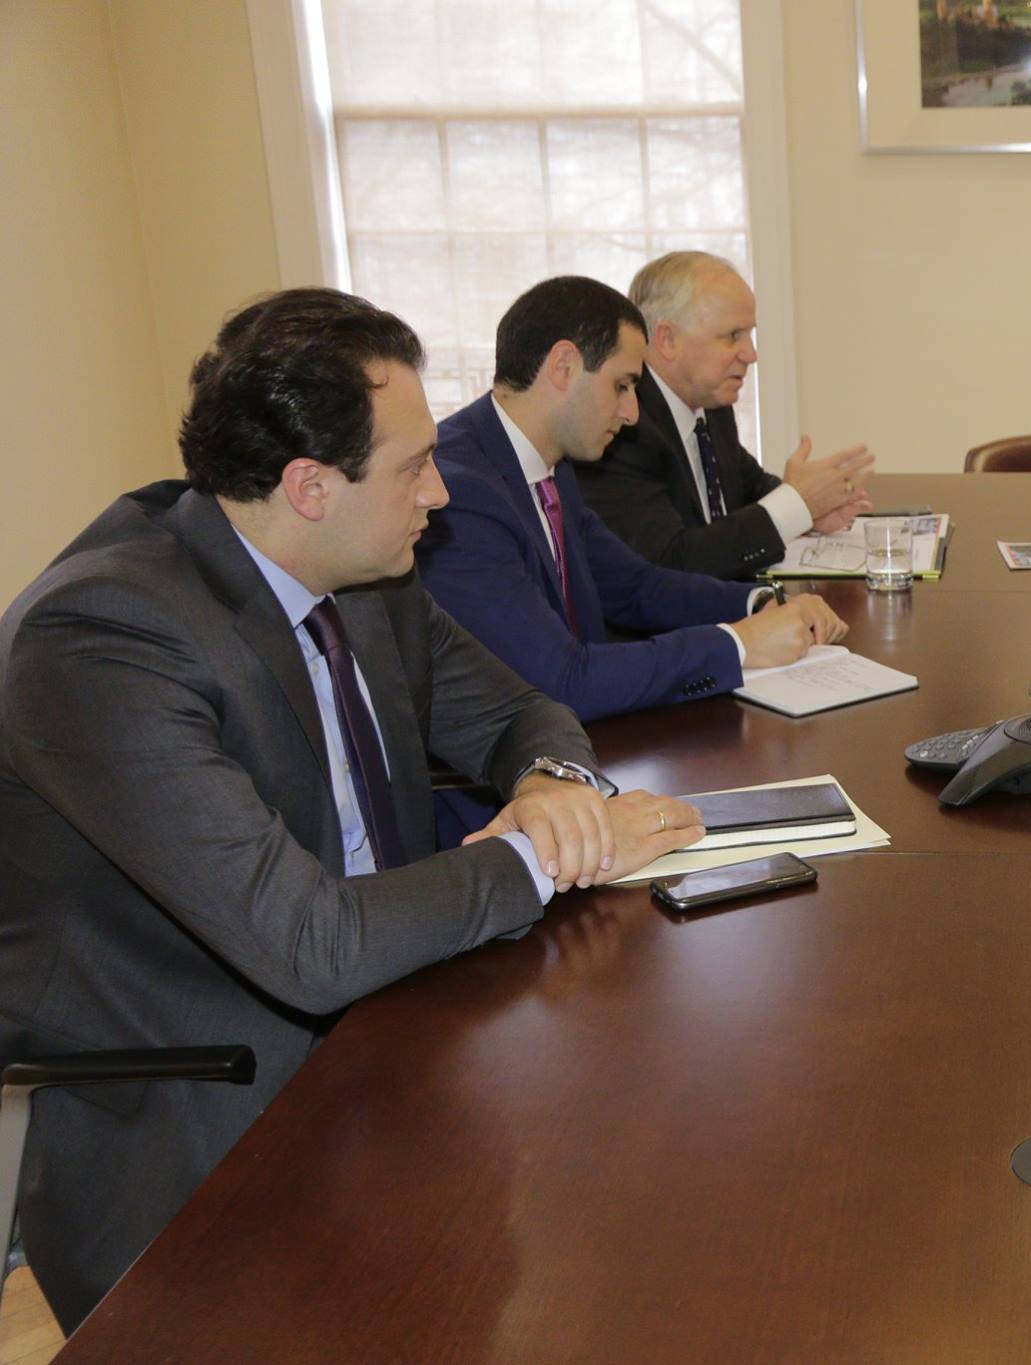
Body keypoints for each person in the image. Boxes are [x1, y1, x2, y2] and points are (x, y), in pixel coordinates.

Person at [0, 289, 707, 1332]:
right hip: (212, 1107)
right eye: (413, 467)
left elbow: (523, 712)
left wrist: (554, 786)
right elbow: (311, 944)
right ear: (310, 486)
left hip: (403, 1017)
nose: (441, 494)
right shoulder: (103, 638)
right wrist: (541, 858)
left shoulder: (366, 573)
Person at [418, 275, 846, 732]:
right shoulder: (461, 491)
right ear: (563, 366)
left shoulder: (551, 462)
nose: (632, 412)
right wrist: (738, 644)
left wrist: (760, 602)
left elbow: (636, 586)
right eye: (622, 386)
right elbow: (564, 680)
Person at [576, 251, 874, 579]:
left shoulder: (712, 408)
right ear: (667, 340)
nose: (751, 354)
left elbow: (750, 488)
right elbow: (671, 562)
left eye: (750, 335)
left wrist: (811, 512)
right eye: (733, 336)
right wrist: (796, 503)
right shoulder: (624, 427)